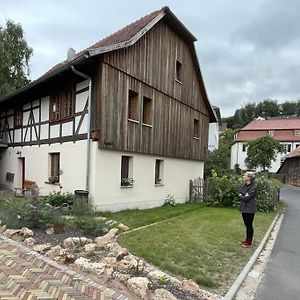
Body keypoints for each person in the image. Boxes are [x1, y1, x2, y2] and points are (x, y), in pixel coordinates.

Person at [238, 171, 257, 248]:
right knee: (246, 224)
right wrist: (243, 195)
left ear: (249, 178)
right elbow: (239, 193)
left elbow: (247, 197)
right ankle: (246, 240)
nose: (243, 176)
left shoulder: (253, 187)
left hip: (250, 209)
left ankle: (249, 243)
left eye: (245, 176)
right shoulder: (244, 185)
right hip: (244, 208)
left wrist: (242, 195)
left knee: (249, 225)